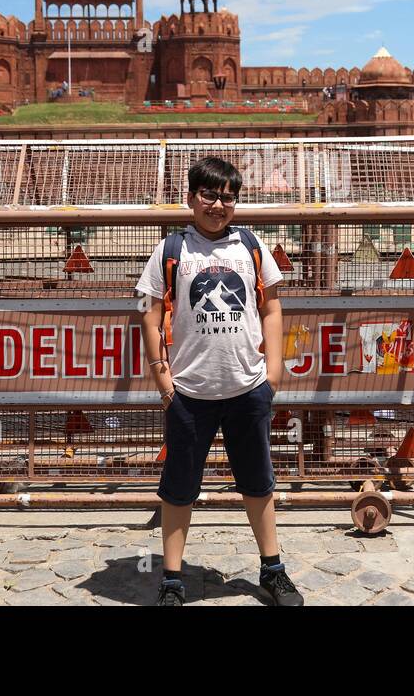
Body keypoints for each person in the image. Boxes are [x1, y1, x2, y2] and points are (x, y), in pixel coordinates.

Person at [136, 156, 303, 606]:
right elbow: (150, 318)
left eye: (228, 197)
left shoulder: (249, 246)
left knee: (258, 481)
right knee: (179, 486)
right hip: (189, 393)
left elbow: (271, 307)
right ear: (191, 197)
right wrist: (162, 378)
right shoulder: (172, 251)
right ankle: (171, 578)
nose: (217, 204)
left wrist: (273, 371)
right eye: (208, 195)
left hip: (247, 387)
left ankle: (273, 569)